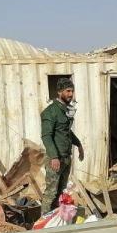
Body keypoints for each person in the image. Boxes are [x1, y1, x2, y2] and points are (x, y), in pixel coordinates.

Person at [40, 76, 84, 214]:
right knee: (51, 193)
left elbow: (66, 131)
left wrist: (79, 145)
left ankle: (56, 220)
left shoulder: (65, 110)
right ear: (60, 92)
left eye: (72, 91)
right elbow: (46, 136)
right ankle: (44, 224)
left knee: (61, 191)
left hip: (65, 158)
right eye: (68, 91)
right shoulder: (50, 112)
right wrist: (53, 156)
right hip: (55, 159)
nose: (71, 94)